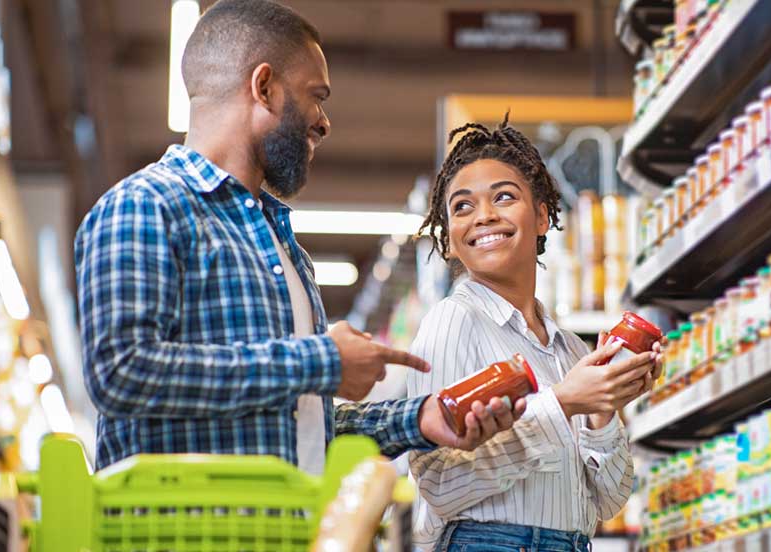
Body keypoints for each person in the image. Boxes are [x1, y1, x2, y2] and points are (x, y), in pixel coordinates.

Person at [74, 0, 523, 472]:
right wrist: (321, 361)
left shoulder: (283, 247)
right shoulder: (145, 205)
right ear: (264, 87)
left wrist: (421, 419)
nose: (324, 121)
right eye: (317, 96)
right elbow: (120, 372)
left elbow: (302, 427)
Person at [407, 118, 663, 552]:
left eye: (504, 197)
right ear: (449, 239)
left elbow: (609, 501)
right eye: (462, 207)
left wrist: (604, 407)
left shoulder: (568, 350)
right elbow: (441, 482)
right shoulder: (452, 322)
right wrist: (563, 404)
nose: (484, 216)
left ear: (543, 216)